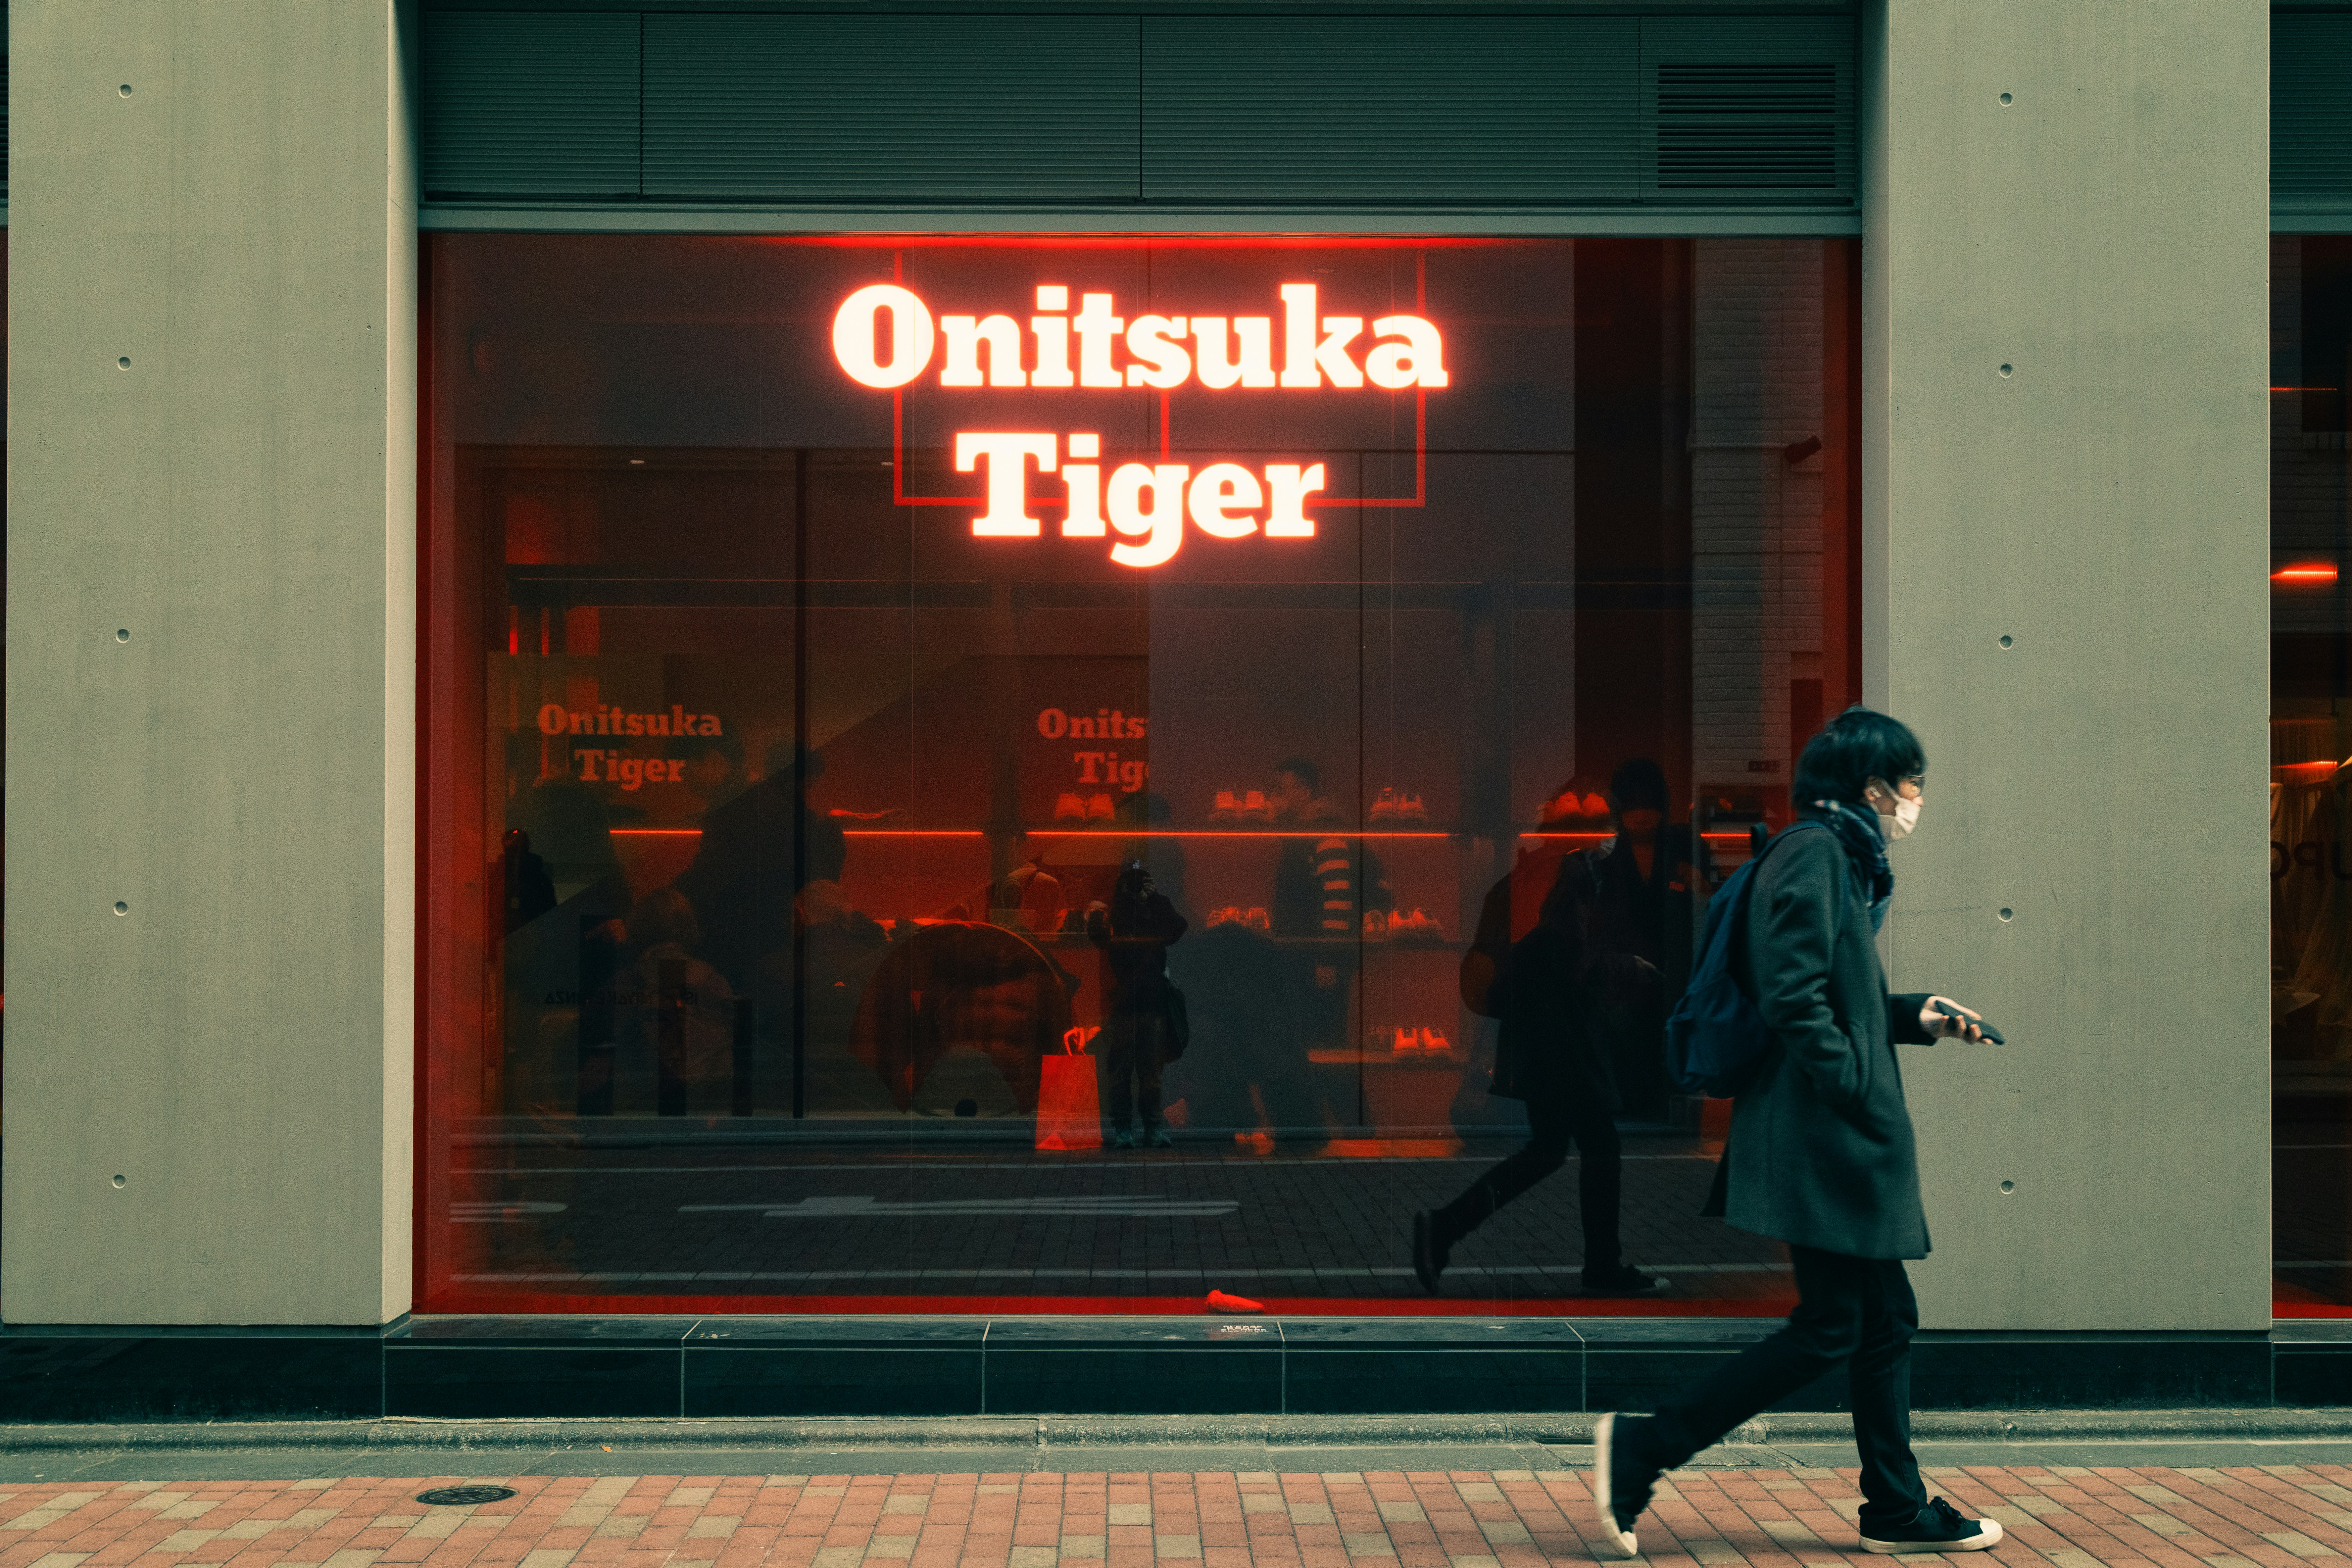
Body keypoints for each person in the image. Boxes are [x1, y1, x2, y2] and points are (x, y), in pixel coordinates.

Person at [1590, 708, 2007, 1559]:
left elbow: (1830, 994)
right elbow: (1791, 995)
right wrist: (1853, 1083)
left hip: (1829, 1128)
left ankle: (1894, 1505)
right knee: (1833, 1326)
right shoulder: (1816, 853)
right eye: (1910, 779)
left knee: (1882, 1318)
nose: (1917, 797)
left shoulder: (1834, 856)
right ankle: (1644, 1446)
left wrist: (1913, 1016)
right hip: (1824, 1135)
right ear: (1871, 785)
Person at [1412, 761, 1675, 1300]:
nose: (1612, 834)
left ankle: (1445, 1228)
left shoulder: (1535, 874)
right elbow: (1569, 956)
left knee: (1550, 1150)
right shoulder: (1572, 877)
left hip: (1542, 1033)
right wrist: (1630, 971)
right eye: (1605, 823)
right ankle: (1601, 1268)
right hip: (1565, 1037)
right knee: (1596, 1145)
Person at [1088, 859, 1189, 1148]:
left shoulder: (1154, 908)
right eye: (1131, 880)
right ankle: (1127, 1130)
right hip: (1126, 1006)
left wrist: (1153, 900)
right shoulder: (1115, 911)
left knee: (1150, 1076)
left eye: (1141, 879)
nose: (1135, 885)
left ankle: (1149, 1130)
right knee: (1122, 1074)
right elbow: (1098, 938)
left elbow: (1177, 929)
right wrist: (1120, 902)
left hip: (1149, 1004)